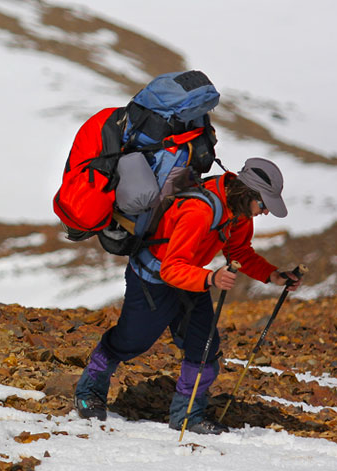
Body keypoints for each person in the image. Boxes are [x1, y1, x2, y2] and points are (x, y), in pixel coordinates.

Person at [73, 157, 302, 434]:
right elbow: (170, 269)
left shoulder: (238, 214)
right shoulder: (199, 211)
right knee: (130, 341)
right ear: (248, 193)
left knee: (204, 347)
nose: (264, 212)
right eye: (263, 204)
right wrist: (210, 278)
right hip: (153, 279)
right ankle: (88, 389)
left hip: (190, 277)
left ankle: (188, 416)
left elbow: (239, 252)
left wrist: (273, 275)